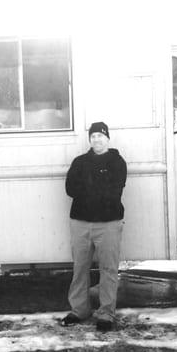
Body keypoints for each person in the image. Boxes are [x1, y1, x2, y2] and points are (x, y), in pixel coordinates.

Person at [62, 121, 127, 331]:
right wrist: (97, 184)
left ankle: (106, 313)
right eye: (93, 136)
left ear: (108, 138)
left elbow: (114, 190)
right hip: (80, 222)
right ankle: (79, 310)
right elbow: (70, 188)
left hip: (108, 223)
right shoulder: (79, 162)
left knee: (108, 268)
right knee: (80, 268)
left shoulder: (117, 162)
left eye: (100, 135)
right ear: (89, 139)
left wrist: (88, 187)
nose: (97, 139)